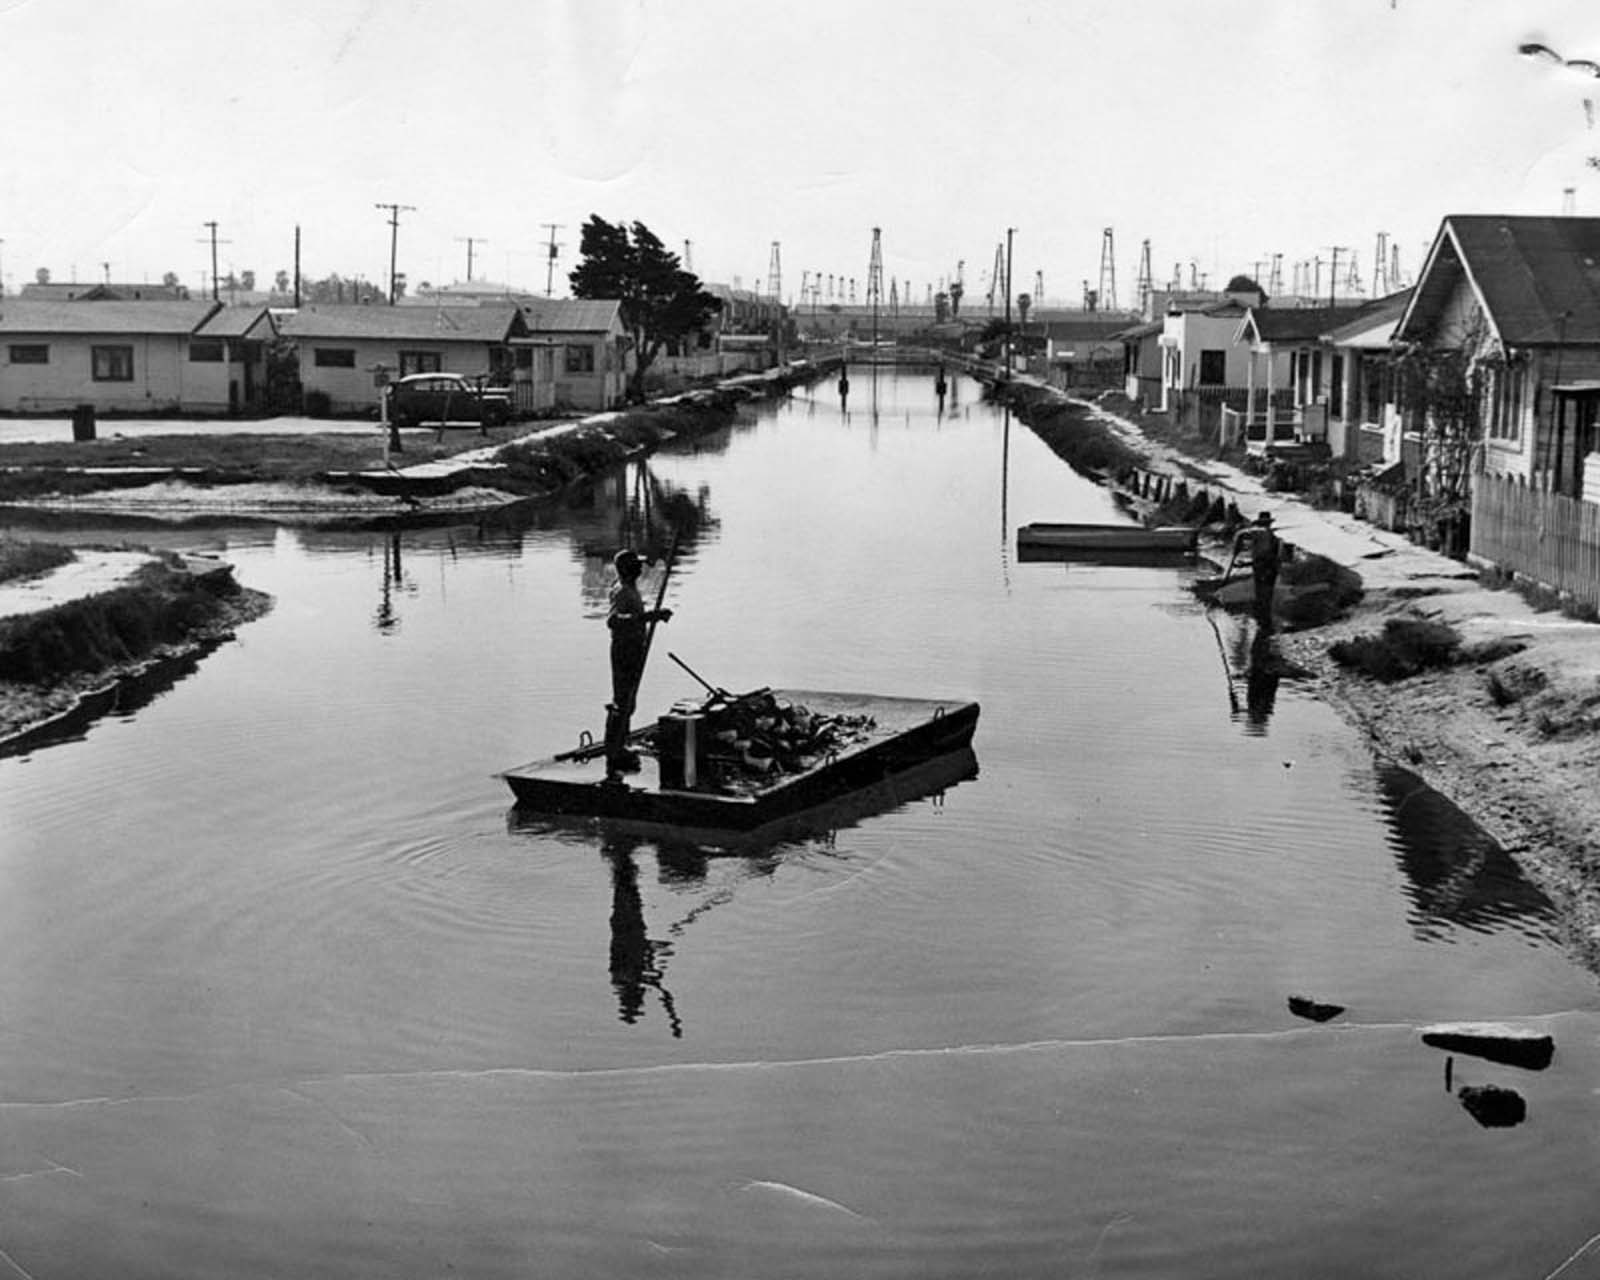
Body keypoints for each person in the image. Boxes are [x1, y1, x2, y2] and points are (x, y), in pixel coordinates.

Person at [604, 549, 671, 780]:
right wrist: (649, 617)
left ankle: (619, 745)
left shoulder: (628, 588)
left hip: (632, 648)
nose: (642, 569)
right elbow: (613, 620)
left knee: (627, 700)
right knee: (623, 700)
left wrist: (650, 618)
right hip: (624, 650)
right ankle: (614, 749)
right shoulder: (623, 591)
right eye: (637, 565)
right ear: (627, 569)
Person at [1230, 510, 1282, 632]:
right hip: (1270, 567)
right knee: (1266, 594)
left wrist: (1236, 552)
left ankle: (1263, 623)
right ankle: (1265, 623)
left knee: (1262, 594)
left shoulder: (1260, 532)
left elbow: (1240, 534)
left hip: (1264, 567)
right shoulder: (1273, 535)